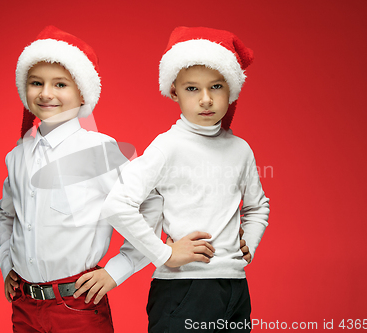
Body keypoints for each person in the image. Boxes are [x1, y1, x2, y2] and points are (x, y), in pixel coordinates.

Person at [0, 25, 162, 333]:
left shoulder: (100, 150)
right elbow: (6, 215)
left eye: (60, 84)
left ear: (82, 92)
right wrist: (7, 263)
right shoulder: (17, 155)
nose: (46, 93)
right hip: (25, 307)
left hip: (77, 306)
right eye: (36, 83)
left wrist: (117, 270)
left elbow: (151, 205)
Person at [102, 26, 270, 332]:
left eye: (216, 87)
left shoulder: (240, 150)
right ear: (174, 91)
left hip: (234, 288)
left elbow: (258, 207)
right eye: (192, 88)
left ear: (230, 89)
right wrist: (165, 253)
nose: (206, 99)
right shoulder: (168, 146)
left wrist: (250, 243)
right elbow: (117, 204)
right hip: (184, 290)